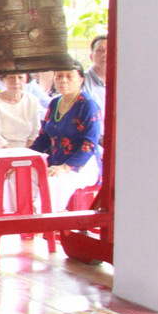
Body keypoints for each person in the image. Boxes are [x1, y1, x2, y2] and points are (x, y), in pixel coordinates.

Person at [30, 61, 103, 212]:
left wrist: (66, 167)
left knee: (52, 183)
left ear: (80, 80)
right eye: (60, 76)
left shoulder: (87, 105)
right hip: (55, 162)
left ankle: (41, 229)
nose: (63, 80)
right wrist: (24, 158)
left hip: (81, 166)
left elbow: (90, 143)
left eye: (69, 76)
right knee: (19, 175)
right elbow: (44, 137)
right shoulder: (55, 103)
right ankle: (18, 223)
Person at [0, 73, 41, 150]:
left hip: (25, 151)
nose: (16, 81)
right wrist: (12, 154)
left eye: (20, 77)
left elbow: (35, 133)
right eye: (11, 77)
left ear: (26, 79)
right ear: (3, 79)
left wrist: (25, 152)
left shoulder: (32, 101)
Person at [83, 34, 109, 106]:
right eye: (100, 50)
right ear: (91, 56)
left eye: (109, 50)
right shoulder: (81, 81)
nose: (105, 54)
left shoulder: (122, 81)